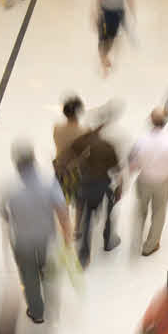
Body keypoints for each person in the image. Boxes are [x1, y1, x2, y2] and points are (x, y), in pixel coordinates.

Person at [0, 143, 73, 324]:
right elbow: (63, 213)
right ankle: (52, 303)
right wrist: (67, 238)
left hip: (22, 241)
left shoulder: (9, 186)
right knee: (48, 271)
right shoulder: (48, 181)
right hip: (46, 240)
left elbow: (4, 214)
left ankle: (37, 312)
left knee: (28, 277)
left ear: (16, 163)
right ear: (34, 160)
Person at [60, 112, 123, 264]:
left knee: (86, 217)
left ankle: (83, 255)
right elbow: (116, 169)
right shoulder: (108, 146)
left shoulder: (81, 141)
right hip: (102, 184)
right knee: (109, 212)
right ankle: (108, 241)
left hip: (84, 184)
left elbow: (66, 157)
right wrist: (120, 186)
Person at [128, 107, 168, 257]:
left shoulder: (141, 141)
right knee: (159, 212)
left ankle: (137, 238)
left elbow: (133, 164)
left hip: (144, 180)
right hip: (163, 182)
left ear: (150, 121)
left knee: (141, 209)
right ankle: (150, 245)